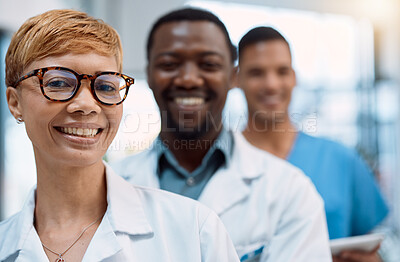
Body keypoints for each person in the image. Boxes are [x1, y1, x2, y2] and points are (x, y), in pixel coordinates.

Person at [0, 9, 240, 262]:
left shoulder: (194, 229)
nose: (87, 104)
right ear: (15, 103)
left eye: (105, 86)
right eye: (58, 83)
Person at [112, 8, 332, 261]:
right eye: (169, 64)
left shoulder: (289, 192)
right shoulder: (109, 188)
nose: (188, 79)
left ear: (232, 76)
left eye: (209, 65)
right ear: (149, 74)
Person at [236, 26, 389, 262]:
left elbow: (372, 250)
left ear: (294, 77)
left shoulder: (341, 160)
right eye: (257, 73)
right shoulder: (222, 164)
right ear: (236, 78)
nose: (272, 84)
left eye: (282, 71)